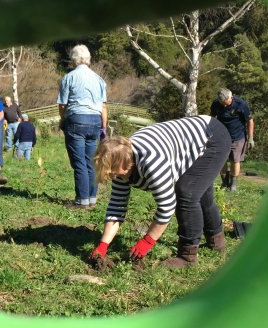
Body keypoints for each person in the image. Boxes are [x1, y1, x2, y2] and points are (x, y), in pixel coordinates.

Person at [89, 115, 231, 268]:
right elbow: (117, 207)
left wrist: (147, 241)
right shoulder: (120, 166)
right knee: (200, 192)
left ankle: (187, 256)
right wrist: (103, 245)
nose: (112, 176)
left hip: (212, 138)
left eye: (113, 173)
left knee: (187, 193)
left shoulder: (151, 161)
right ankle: (217, 243)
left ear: (124, 163)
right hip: (192, 139)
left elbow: (166, 207)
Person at [57, 44, 108, 209]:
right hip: (95, 121)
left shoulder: (69, 78)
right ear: (88, 59)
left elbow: (62, 105)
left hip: (76, 119)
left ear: (74, 60)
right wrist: (103, 128)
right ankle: (92, 198)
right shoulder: (99, 79)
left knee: (78, 161)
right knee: (90, 161)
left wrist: (62, 120)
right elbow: (103, 107)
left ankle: (81, 200)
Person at [210, 88, 255, 192]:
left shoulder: (241, 104)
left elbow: (250, 121)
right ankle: (224, 182)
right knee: (221, 160)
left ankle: (233, 184)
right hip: (221, 136)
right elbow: (212, 119)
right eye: (223, 104)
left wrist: (251, 138)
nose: (225, 106)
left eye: (227, 103)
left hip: (237, 137)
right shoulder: (216, 104)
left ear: (231, 97)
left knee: (235, 160)